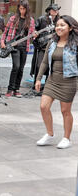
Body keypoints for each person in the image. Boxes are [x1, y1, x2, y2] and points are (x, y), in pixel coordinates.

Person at [35, 15, 78, 149]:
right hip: (52, 80)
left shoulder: (75, 44)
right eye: (57, 25)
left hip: (69, 81)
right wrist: (38, 78)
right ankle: (50, 134)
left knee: (65, 111)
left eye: (62, 25)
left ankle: (66, 138)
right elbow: (44, 62)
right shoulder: (52, 43)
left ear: (70, 28)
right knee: (43, 106)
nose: (59, 27)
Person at [0, 0, 36, 98]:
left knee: (21, 69)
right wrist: (2, 42)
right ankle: (10, 89)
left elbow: (32, 37)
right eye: (20, 8)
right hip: (14, 46)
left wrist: (35, 35)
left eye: (23, 9)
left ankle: (17, 89)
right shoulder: (13, 18)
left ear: (27, 9)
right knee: (16, 66)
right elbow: (5, 31)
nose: (22, 11)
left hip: (25, 46)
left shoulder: (31, 21)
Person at [31, 3, 60, 93]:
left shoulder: (60, 21)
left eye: (57, 10)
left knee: (51, 66)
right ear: (49, 11)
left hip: (54, 47)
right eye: (53, 10)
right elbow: (34, 30)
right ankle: (36, 86)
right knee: (39, 66)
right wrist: (35, 34)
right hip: (42, 47)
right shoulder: (42, 19)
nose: (55, 11)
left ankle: (47, 87)